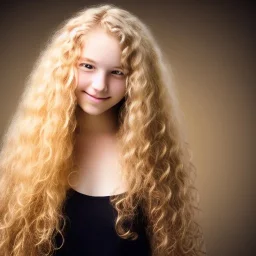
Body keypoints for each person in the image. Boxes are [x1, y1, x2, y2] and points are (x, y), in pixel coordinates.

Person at [0, 3, 206, 256]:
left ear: (137, 82)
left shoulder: (154, 156)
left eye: (117, 72)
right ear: (64, 68)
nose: (100, 86)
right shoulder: (31, 150)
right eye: (87, 66)